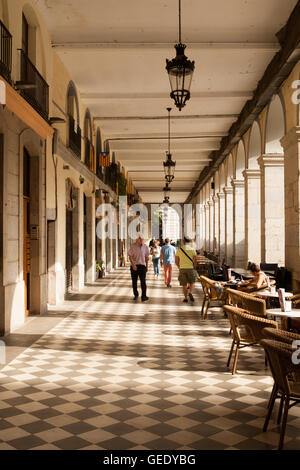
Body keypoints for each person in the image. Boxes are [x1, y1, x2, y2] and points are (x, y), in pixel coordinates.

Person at [175, 237, 197, 303]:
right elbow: (195, 261)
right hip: (190, 268)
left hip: (182, 269)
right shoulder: (192, 250)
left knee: (184, 284)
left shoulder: (179, 250)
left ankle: (185, 298)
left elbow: (176, 261)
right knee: (192, 282)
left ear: (183, 242)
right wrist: (194, 267)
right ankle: (190, 292)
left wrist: (179, 267)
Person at [128, 236, 150, 301]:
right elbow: (130, 256)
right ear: (137, 239)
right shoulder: (133, 246)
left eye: (142, 238)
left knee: (143, 282)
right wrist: (133, 265)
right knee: (134, 282)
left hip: (142, 266)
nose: (141, 239)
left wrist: (147, 266)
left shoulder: (145, 246)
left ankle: (143, 296)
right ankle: (136, 295)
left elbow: (147, 257)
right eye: (139, 238)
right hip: (134, 266)